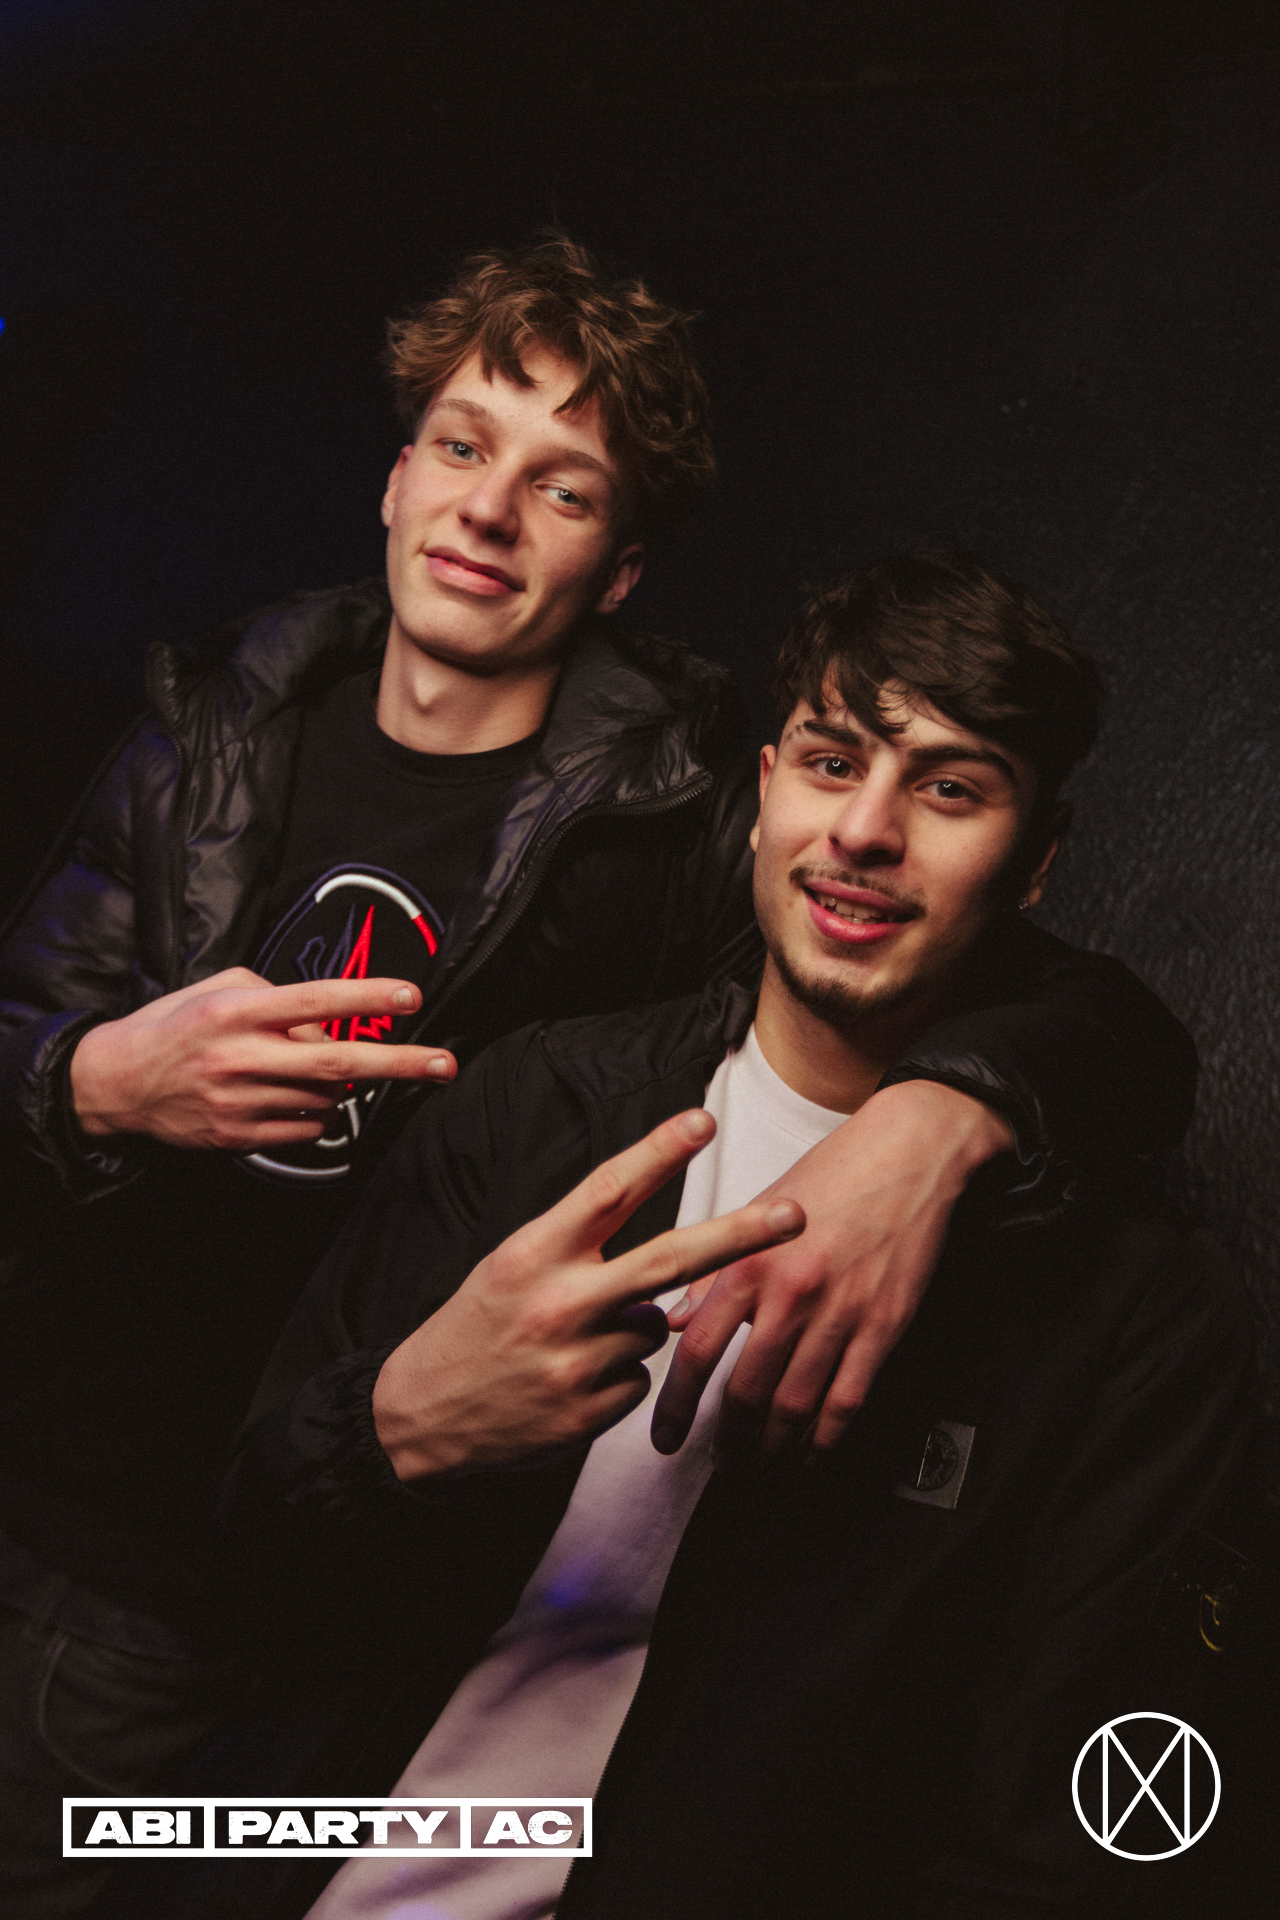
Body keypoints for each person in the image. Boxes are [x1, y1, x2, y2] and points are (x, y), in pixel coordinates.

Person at [0, 239, 1192, 1914]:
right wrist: (92, 1083)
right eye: (463, 446)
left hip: (266, 1596)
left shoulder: (682, 810)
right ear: (397, 474)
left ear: (622, 568)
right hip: (90, 1482)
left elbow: (1063, 1003)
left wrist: (932, 1122)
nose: (489, 510)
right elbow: (25, 1048)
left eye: (563, 489)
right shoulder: (210, 720)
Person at [218, 553, 1254, 1920]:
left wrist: (933, 1130)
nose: (866, 830)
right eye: (832, 762)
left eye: (951, 789)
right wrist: (401, 1424)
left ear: (1038, 861)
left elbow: (1079, 1842)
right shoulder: (543, 1106)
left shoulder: (1139, 1314)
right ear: (766, 790)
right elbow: (245, 1574)